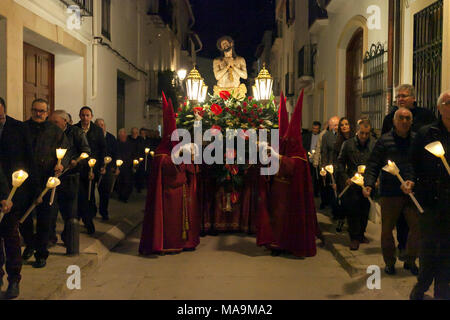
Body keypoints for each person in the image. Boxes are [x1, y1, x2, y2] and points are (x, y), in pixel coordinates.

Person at [262, 90, 321, 257]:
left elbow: (295, 165)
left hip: (292, 192)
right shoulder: (280, 146)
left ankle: (294, 245)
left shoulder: (300, 152)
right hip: (278, 190)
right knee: (277, 219)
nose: (286, 142)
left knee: (291, 219)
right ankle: (277, 244)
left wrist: (279, 157)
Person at [381, 84, 436, 258]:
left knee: (416, 218)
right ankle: (403, 246)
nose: (401, 99)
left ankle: (416, 251)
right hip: (395, 176)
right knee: (399, 218)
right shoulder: (389, 118)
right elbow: (384, 144)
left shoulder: (426, 116)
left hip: (419, 172)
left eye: (404, 96)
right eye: (398, 96)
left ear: (413, 98)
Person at [363, 108, 419, 276]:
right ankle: (389, 262)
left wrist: (413, 181)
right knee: (387, 230)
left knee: (417, 229)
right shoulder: (384, 141)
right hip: (390, 192)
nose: (404, 121)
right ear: (394, 121)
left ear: (411, 121)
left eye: (407, 118)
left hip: (411, 192)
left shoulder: (416, 140)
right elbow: (373, 164)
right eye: (401, 118)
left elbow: (420, 165)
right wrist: (369, 184)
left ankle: (410, 259)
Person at [139, 94, 198, 254]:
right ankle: (168, 244)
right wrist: (179, 156)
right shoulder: (161, 152)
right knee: (171, 221)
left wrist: (190, 157)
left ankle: (185, 243)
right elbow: (165, 166)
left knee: (182, 221)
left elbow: (188, 168)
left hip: (181, 192)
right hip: (168, 196)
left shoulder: (177, 148)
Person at [409, 90, 450, 300]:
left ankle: (442, 293)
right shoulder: (427, 133)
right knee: (429, 249)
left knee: (447, 253)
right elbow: (412, 163)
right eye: (449, 103)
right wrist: (410, 180)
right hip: (430, 201)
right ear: (440, 107)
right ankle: (420, 289)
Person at [21, 98, 69, 268]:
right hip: (25, 181)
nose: (38, 114)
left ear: (47, 113)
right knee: (23, 217)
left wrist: (60, 164)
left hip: (46, 180)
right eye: (35, 110)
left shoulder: (56, 132)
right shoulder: (22, 129)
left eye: (42, 111)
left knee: (44, 219)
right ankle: (30, 244)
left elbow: (64, 151)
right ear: (31, 110)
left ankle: (41, 253)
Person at [0, 97, 32, 299]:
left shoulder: (18, 129)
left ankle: (14, 279)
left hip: (12, 193)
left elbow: (27, 162)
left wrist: (13, 196)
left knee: (11, 238)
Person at [48, 110, 90, 251]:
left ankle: (69, 237)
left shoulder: (76, 133)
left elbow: (86, 151)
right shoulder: (49, 132)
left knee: (69, 211)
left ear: (65, 121)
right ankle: (50, 237)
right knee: (51, 208)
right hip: (53, 176)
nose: (52, 125)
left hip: (70, 177)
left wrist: (76, 161)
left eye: (56, 122)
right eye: (51, 122)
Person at [337, 119, 376, 250]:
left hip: (367, 182)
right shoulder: (348, 145)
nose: (364, 136)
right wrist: (345, 177)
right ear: (357, 131)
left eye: (367, 133)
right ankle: (354, 237)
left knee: (365, 209)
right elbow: (340, 162)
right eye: (362, 133)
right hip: (352, 183)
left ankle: (361, 234)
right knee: (353, 210)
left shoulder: (373, 145)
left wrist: (376, 179)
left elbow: (377, 163)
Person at [75, 106, 106, 234]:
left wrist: (99, 168)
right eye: (83, 115)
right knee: (79, 195)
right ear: (79, 116)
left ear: (91, 116)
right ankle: (80, 219)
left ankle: (88, 219)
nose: (85, 118)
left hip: (92, 169)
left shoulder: (97, 131)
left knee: (89, 195)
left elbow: (101, 149)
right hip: (78, 168)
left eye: (87, 115)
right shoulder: (75, 129)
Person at [95, 118, 118, 220]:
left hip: (107, 168)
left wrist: (113, 167)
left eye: (102, 125)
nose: (101, 127)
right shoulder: (92, 137)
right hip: (95, 167)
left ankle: (104, 211)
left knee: (105, 192)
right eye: (98, 125)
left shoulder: (111, 138)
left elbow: (115, 153)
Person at [320, 116, 340, 220]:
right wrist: (323, 167)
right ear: (330, 126)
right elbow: (324, 153)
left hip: (341, 166)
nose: (337, 127)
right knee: (333, 190)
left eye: (338, 124)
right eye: (335, 125)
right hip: (331, 167)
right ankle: (335, 211)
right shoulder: (326, 136)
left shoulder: (343, 135)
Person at [303, 121, 321, 197]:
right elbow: (304, 146)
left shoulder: (321, 136)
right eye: (314, 128)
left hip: (318, 159)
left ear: (319, 129)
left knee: (317, 178)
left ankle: (316, 192)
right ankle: (307, 191)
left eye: (317, 129)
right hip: (308, 159)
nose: (315, 130)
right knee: (308, 176)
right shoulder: (307, 136)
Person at [116, 128, 134, 203]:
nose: (123, 137)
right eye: (121, 135)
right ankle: (121, 195)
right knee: (120, 182)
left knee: (127, 182)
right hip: (120, 166)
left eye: (124, 135)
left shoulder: (129, 144)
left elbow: (132, 154)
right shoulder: (116, 144)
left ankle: (125, 196)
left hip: (128, 166)